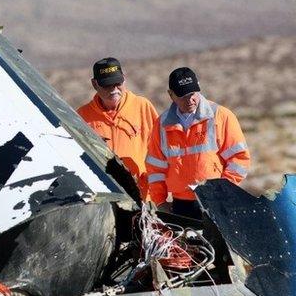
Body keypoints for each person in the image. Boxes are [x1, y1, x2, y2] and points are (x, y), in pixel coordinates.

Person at [145, 67, 251, 218]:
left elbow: (239, 159)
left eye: (192, 93)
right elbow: (155, 167)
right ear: (171, 95)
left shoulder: (221, 116)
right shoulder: (162, 124)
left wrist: (222, 191)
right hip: (181, 206)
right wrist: (160, 201)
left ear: (198, 87)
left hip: (217, 202)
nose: (190, 100)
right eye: (182, 96)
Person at [77, 57, 158, 200]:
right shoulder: (82, 116)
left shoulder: (142, 106)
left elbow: (161, 150)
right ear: (95, 84)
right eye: (107, 85)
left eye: (118, 83)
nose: (114, 90)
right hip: (102, 198)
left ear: (124, 79)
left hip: (143, 196)